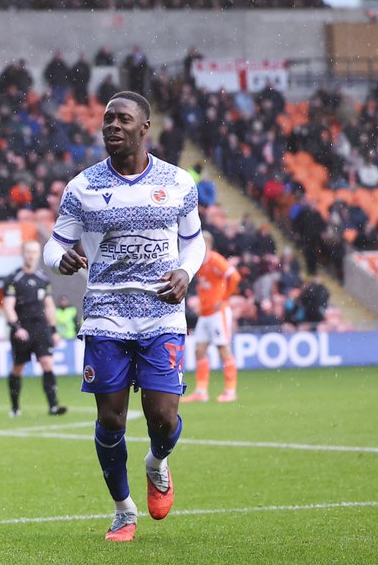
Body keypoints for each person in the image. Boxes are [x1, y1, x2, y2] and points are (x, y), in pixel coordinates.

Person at [43, 91, 206, 543]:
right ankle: (122, 510)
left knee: (164, 418)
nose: (112, 125)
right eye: (107, 119)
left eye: (123, 119)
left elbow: (194, 241)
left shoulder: (176, 183)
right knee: (112, 421)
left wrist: (185, 271)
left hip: (161, 312)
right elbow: (53, 245)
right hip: (106, 314)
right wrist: (62, 260)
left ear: (144, 127)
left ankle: (157, 462)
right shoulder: (83, 187)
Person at [2, 239, 67, 418]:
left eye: (34, 252)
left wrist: (53, 330)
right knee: (18, 368)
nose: (31, 255)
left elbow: (49, 305)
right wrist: (17, 328)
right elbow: (8, 306)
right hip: (22, 328)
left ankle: (53, 406)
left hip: (41, 328)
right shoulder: (13, 279)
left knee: (47, 363)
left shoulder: (43, 279)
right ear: (23, 254)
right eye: (28, 251)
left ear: (39, 255)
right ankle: (15, 408)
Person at [182, 233, 241, 404]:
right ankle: (201, 391)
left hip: (218, 312)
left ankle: (230, 391)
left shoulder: (215, 259)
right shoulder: (200, 262)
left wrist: (224, 299)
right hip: (205, 313)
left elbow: (235, 276)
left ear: (207, 243)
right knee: (199, 350)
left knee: (223, 348)